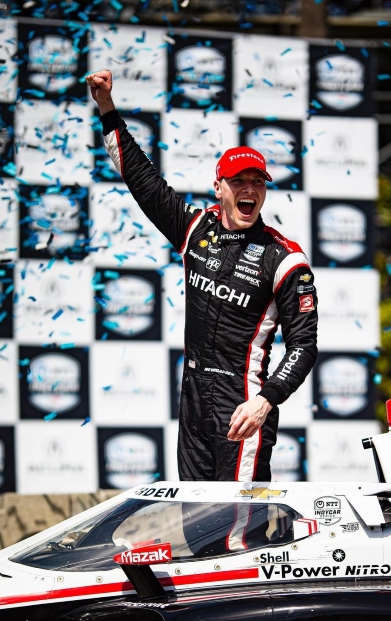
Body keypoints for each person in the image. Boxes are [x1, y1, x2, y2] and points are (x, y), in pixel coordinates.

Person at [87, 70, 318, 482]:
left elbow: (303, 346)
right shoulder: (195, 229)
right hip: (192, 395)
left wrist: (265, 402)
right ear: (219, 187)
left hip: (242, 402)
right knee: (196, 529)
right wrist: (106, 106)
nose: (249, 189)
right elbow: (139, 178)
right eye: (238, 181)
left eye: (257, 182)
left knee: (236, 532)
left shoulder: (284, 258)